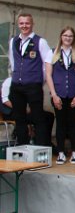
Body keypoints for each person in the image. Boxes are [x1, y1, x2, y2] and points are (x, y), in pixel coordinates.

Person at [8, 13, 52, 146]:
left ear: (32, 24)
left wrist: (39, 81)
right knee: (19, 118)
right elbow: (13, 61)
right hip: (17, 85)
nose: (24, 26)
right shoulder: (13, 41)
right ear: (18, 24)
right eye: (21, 23)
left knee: (38, 118)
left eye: (27, 23)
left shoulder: (41, 42)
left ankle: (40, 148)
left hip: (34, 85)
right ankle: (23, 147)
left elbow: (47, 65)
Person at [45, 26, 75, 164]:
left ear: (73, 38)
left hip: (73, 94)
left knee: (73, 124)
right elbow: (48, 75)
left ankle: (74, 152)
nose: (68, 38)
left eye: (70, 36)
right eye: (65, 35)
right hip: (58, 94)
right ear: (61, 37)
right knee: (60, 124)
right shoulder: (52, 52)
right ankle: (61, 152)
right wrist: (54, 95)